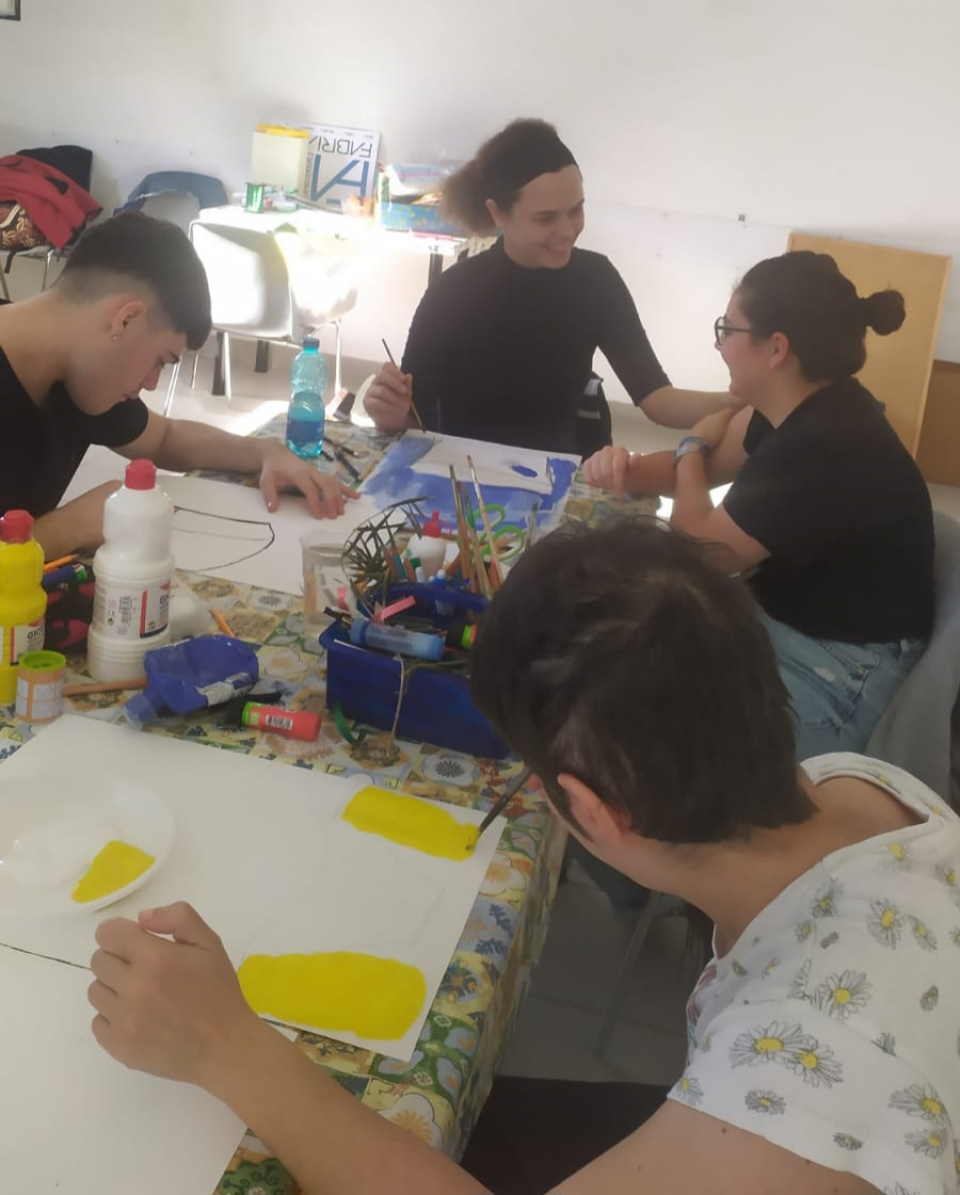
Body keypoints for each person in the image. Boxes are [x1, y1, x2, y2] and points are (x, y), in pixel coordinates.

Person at [87, 520, 960, 1194]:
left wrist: (229, 1048)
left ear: (591, 811)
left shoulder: (812, 1067)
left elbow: (797, 1104)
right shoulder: (856, 786)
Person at [585, 250, 934, 761]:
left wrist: (689, 449)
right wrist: (626, 468)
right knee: (622, 651)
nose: (719, 344)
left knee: (643, 727)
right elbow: (709, 467)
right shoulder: (798, 403)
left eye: (728, 329)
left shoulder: (825, 442)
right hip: (792, 617)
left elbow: (698, 549)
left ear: (776, 349)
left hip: (841, 668)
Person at [363, 118, 733, 456]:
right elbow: (413, 420)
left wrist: (743, 400)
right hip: (465, 470)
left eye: (576, 210)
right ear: (497, 214)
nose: (568, 231)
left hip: (561, 470)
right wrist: (389, 412)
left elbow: (657, 398)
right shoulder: (453, 293)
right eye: (546, 219)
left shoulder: (596, 280)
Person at [1, 211, 356, 558]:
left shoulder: (80, 374)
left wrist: (266, 453)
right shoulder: (82, 370)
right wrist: (67, 529)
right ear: (125, 320)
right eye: (161, 359)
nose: (151, 383)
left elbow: (165, 438)